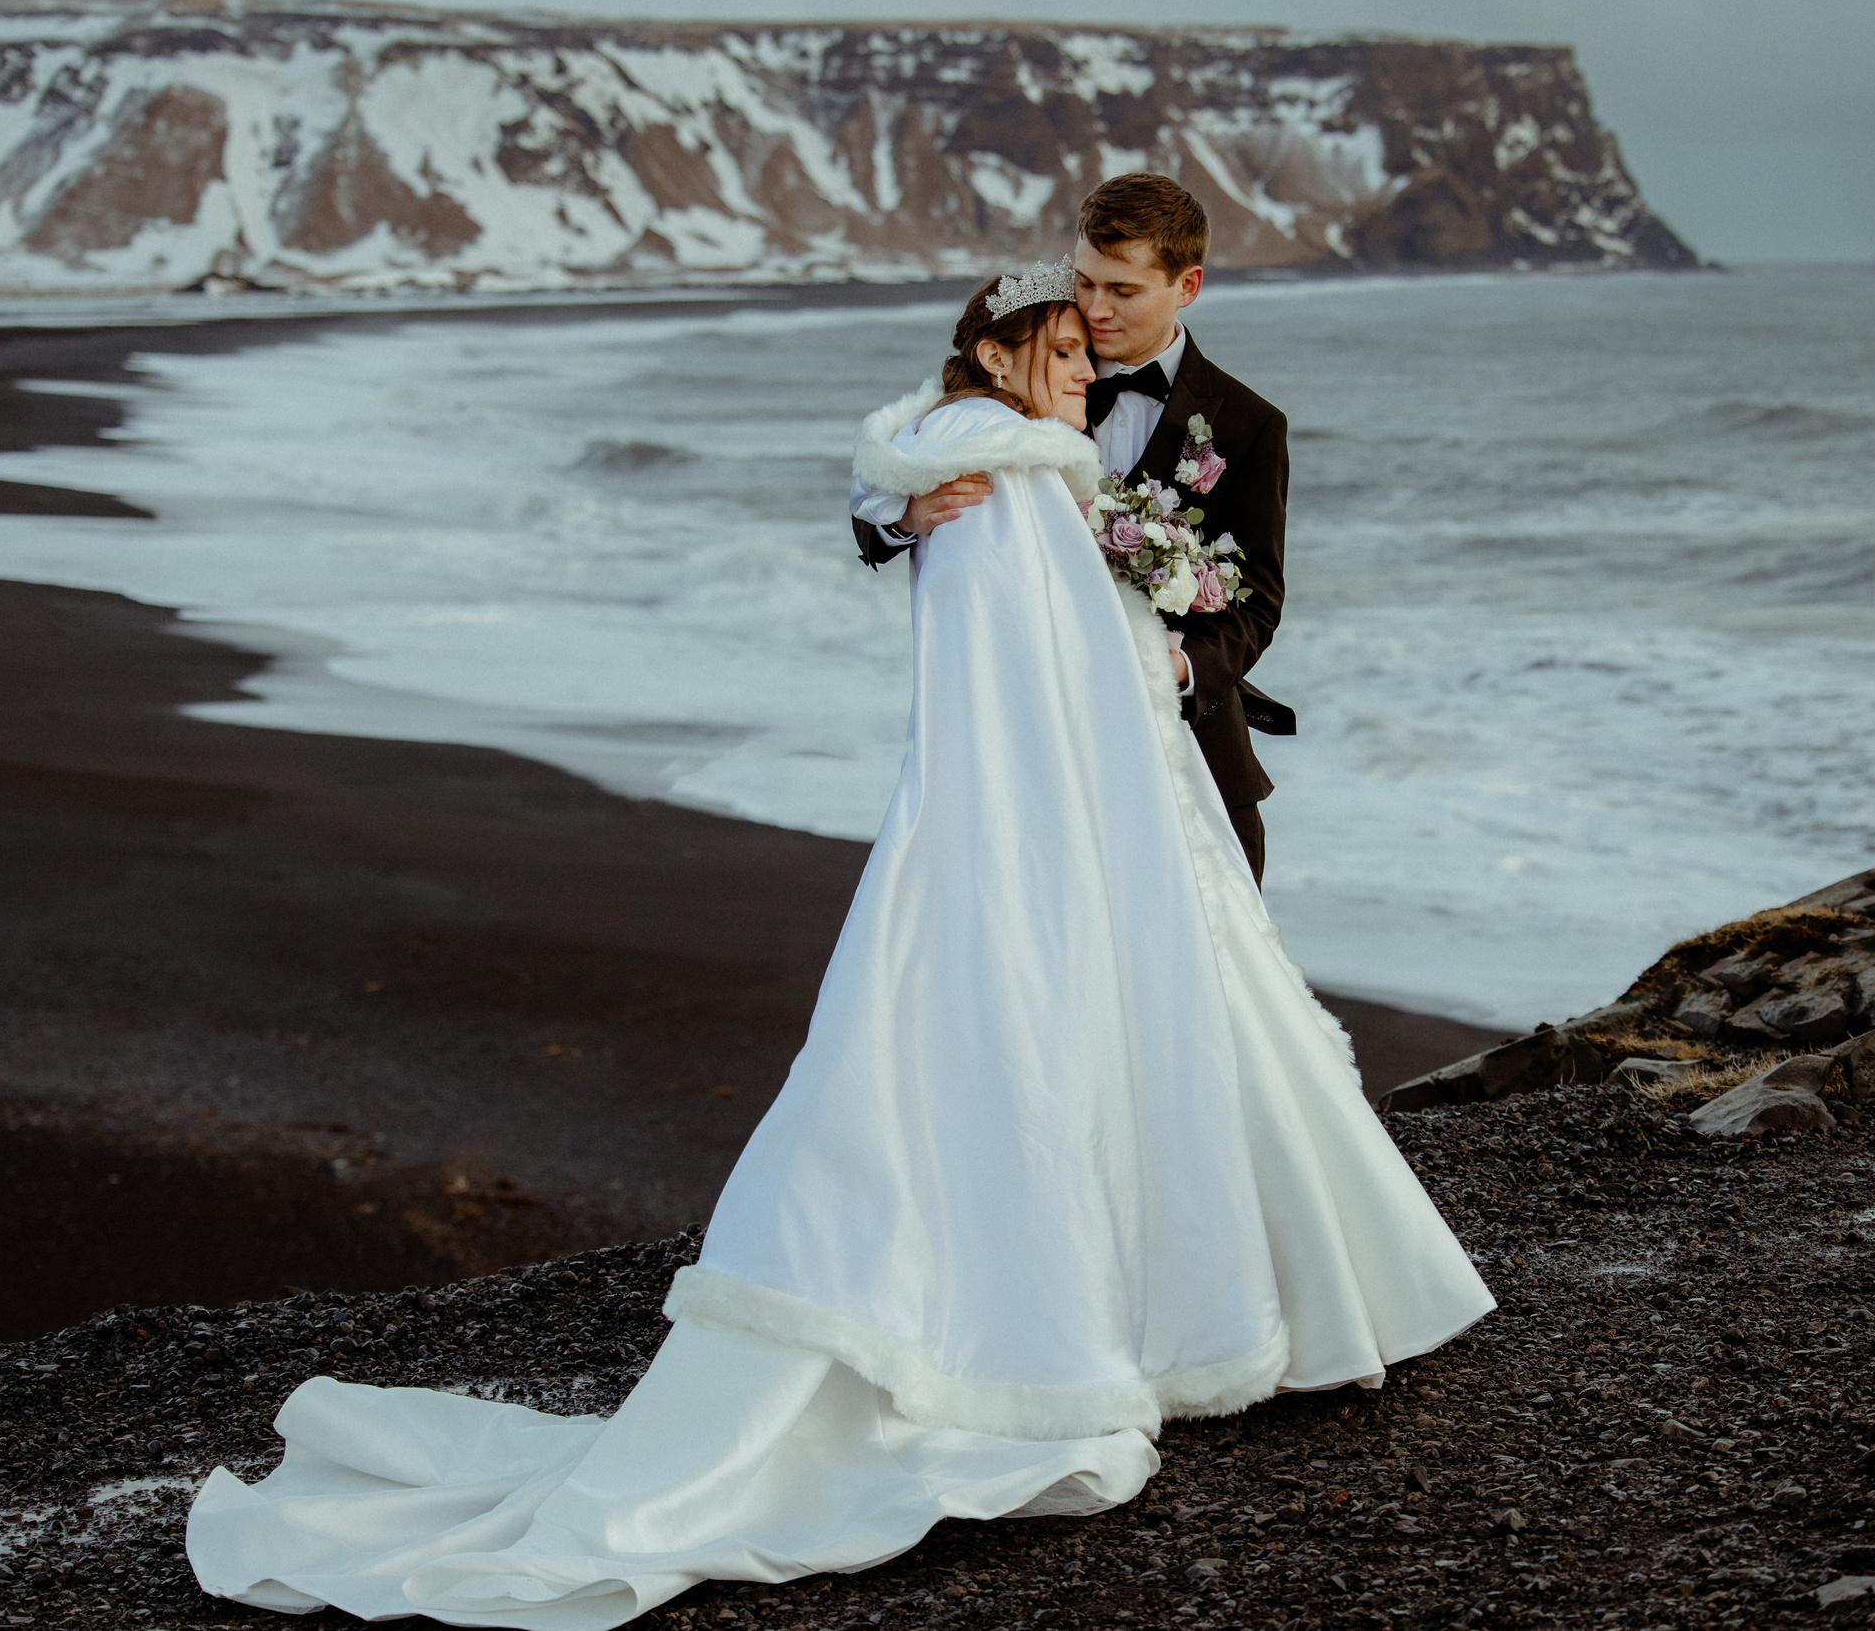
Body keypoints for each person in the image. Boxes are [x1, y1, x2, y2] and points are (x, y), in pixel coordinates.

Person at [184, 255, 1492, 1630]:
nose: (1086, 363)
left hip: (1123, 773)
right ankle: (1114, 1325)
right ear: (997, 355)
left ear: (1177, 282)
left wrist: (1160, 654)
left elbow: (1219, 593)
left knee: (1163, 1037)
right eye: (1060, 342)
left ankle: (1189, 1302)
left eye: (1093, 333)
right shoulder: (1001, 472)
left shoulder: (1102, 440)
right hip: (1051, 806)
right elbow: (1011, 657)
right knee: (1074, 1052)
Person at [851, 173, 1292, 882]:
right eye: (1085, 282)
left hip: (1197, 764)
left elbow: (1257, 603)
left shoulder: (1249, 426)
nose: (1095, 308)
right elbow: (896, 460)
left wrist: (1167, 669)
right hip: (1043, 769)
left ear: (1187, 285)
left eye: (1123, 290)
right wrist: (905, 517)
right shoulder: (1019, 365)